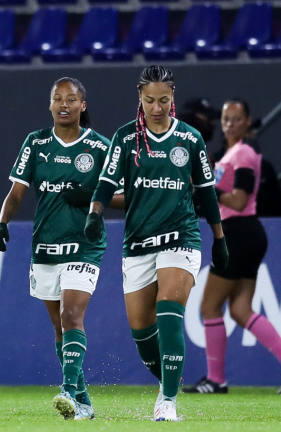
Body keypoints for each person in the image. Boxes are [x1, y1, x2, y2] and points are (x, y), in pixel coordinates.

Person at [84, 65, 229, 422]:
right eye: (150, 100)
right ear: (140, 97)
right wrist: (95, 212)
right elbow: (106, 181)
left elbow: (207, 194)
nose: (157, 107)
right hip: (138, 243)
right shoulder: (125, 138)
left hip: (181, 237)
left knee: (169, 307)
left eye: (164, 100)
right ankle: (170, 381)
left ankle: (167, 401)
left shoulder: (191, 139)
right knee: (141, 330)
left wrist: (219, 237)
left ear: (173, 97)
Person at [0, 77, 124, 421]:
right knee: (58, 327)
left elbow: (128, 195)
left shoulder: (99, 147)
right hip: (46, 246)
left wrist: (94, 198)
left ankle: (67, 390)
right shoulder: (36, 144)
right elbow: (17, 192)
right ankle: (83, 402)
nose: (64, 104)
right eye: (57, 98)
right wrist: (2, 222)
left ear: (83, 105)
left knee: (71, 315)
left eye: (72, 98)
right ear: (50, 105)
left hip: (85, 245)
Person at [183, 99, 281, 396]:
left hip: (238, 233)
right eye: (226, 118)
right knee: (240, 309)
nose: (230, 123)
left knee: (209, 306)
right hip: (248, 234)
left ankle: (216, 380)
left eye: (237, 118)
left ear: (248, 122)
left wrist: (206, 187)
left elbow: (238, 201)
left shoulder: (243, 153)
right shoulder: (233, 153)